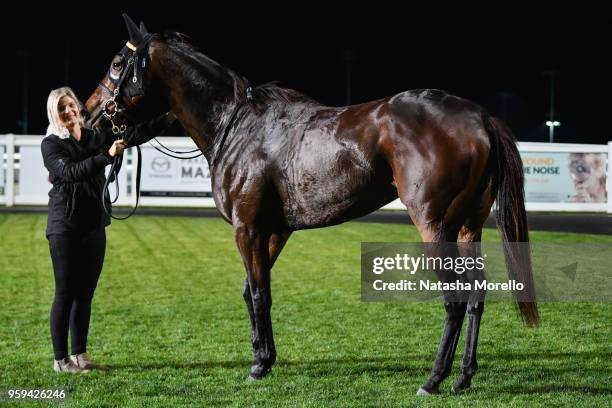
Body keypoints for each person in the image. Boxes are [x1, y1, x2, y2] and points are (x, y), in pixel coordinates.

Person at [41, 87, 175, 373]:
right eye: (61, 108)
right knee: (65, 292)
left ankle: (80, 355)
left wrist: (170, 117)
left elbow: (132, 135)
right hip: (64, 226)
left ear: (77, 107)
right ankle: (60, 360)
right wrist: (106, 156)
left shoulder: (91, 137)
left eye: (70, 105)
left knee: (85, 294)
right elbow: (71, 172)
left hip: (93, 224)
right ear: (54, 113)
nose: (68, 111)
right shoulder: (51, 145)